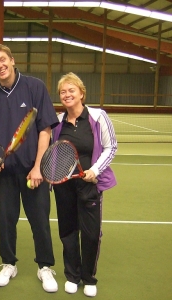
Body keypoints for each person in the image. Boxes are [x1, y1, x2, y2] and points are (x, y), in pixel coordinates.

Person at [0, 44, 60, 293]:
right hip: (5, 174)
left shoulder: (35, 87)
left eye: (2, 60)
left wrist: (39, 167)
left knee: (40, 221)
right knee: (6, 221)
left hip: (34, 173)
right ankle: (8, 263)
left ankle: (45, 266)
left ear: (12, 60)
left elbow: (45, 130)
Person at [52, 72, 117, 297]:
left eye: (71, 90)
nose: (67, 94)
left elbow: (111, 147)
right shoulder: (58, 122)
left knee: (90, 234)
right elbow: (53, 151)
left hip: (90, 185)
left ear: (81, 93)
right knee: (68, 231)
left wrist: (94, 170)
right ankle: (72, 275)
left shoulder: (98, 117)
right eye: (63, 91)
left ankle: (89, 278)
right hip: (64, 185)